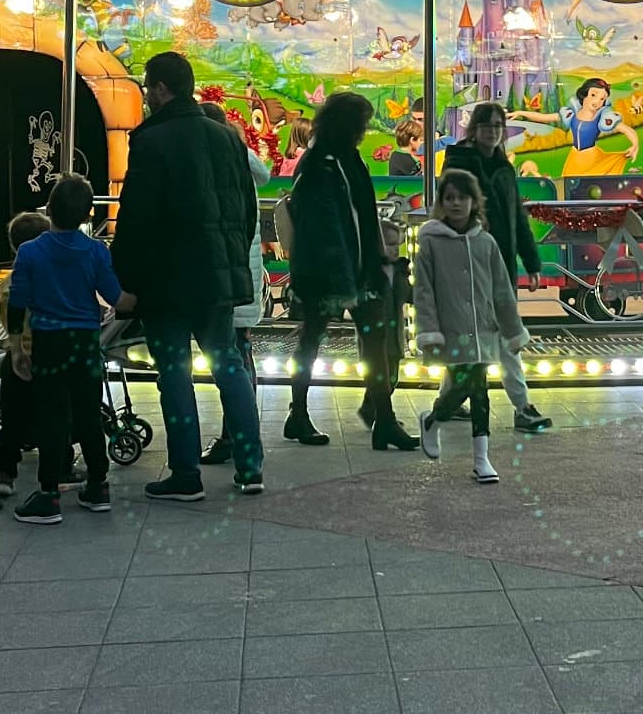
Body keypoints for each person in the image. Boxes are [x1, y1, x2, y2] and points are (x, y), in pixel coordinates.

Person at [111, 50, 264, 502]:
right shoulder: (227, 137)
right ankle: (250, 467)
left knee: (174, 373)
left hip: (166, 282)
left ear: (160, 89)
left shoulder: (150, 140)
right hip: (216, 280)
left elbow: (136, 217)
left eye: (147, 88)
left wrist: (126, 281)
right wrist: (231, 257)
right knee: (229, 365)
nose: (146, 97)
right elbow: (247, 210)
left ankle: (185, 473)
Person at [283, 90, 417, 451]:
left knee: (320, 341)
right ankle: (374, 420)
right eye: (361, 123)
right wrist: (354, 277)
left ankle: (372, 418)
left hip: (346, 271)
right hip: (338, 273)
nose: (364, 130)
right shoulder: (327, 163)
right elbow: (327, 228)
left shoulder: (328, 160)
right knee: (352, 342)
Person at [7, 174, 120, 526]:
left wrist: (16, 348)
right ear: (88, 215)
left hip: (49, 342)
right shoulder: (96, 251)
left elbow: (17, 303)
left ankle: (48, 493)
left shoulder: (29, 252)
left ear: (50, 208)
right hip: (86, 341)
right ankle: (98, 486)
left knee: (52, 415)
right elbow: (116, 297)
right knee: (88, 412)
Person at [440, 102, 552, 432]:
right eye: (487, 125)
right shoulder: (459, 163)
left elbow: (517, 216)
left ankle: (447, 400)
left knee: (484, 335)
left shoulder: (503, 167)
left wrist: (531, 260)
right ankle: (522, 406)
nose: (493, 130)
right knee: (502, 335)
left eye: (498, 125)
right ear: (473, 129)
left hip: (500, 262)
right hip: (470, 263)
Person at [412, 168, 524, 485]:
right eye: (450, 198)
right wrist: (429, 330)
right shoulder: (431, 245)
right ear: (441, 203)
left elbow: (502, 290)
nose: (456, 204)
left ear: (474, 202)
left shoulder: (486, 243)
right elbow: (424, 292)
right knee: (465, 385)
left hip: (485, 330)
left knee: (479, 388)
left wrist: (512, 329)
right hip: (451, 331)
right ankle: (434, 419)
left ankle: (481, 457)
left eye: (462, 197)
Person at [199, 101, 266, 468]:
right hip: (245, 277)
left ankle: (237, 438)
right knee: (241, 355)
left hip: (226, 281)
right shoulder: (244, 164)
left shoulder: (218, 168)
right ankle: (241, 436)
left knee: (231, 360)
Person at [0, 208, 52, 493]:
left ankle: (4, 472)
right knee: (54, 410)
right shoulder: (49, 281)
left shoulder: (6, 284)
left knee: (12, 416)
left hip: (14, 357)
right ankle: (59, 467)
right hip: (46, 354)